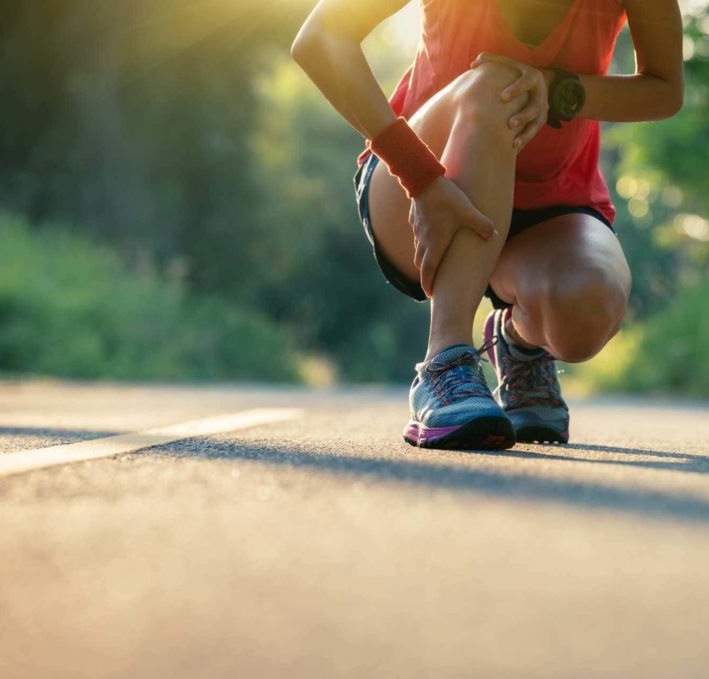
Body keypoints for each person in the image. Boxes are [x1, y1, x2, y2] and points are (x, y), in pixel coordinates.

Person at [292, 0, 683, 450]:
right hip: (421, 182)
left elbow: (664, 89)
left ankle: (517, 342)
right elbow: (320, 37)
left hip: (553, 201)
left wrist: (557, 90)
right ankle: (445, 363)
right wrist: (419, 175)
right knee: (498, 83)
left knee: (587, 307)